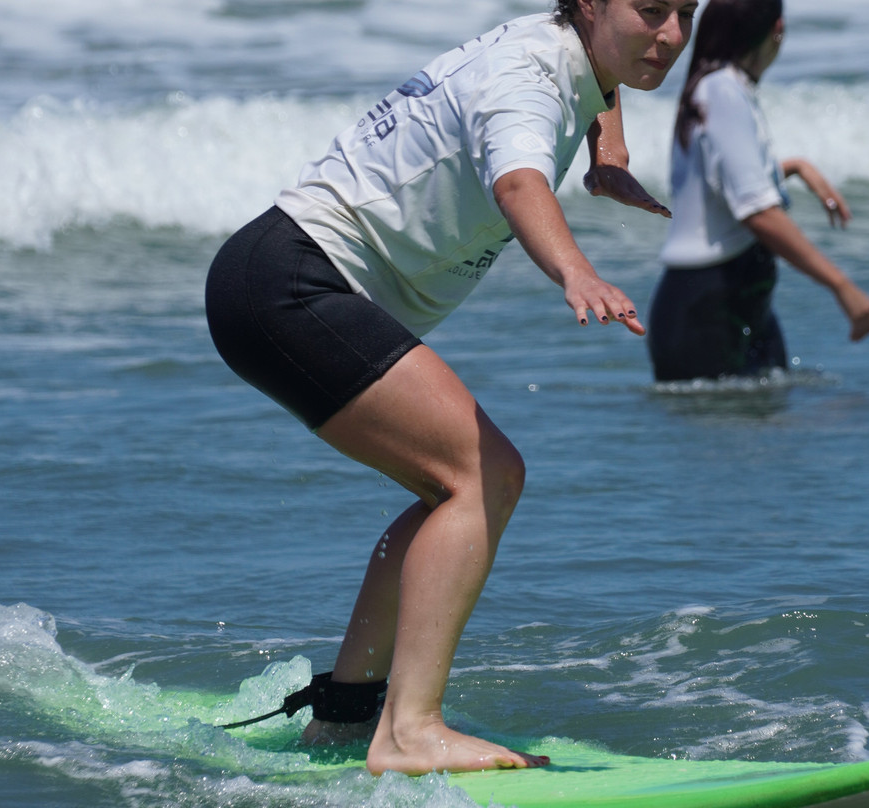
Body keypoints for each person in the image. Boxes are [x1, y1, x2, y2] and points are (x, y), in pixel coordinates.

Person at [205, 0, 697, 777]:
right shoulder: (527, 82)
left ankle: (347, 716)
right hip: (293, 285)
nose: (672, 33)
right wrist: (577, 270)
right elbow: (518, 182)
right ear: (593, 4)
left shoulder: (575, 45)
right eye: (653, 9)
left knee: (456, 489)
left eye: (689, 10)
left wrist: (609, 147)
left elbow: (602, 80)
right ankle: (410, 731)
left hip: (276, 276)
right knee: (482, 475)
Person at [646, 0, 869, 383]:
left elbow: (722, 182)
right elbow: (756, 211)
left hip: (728, 301)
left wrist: (796, 166)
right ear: (777, 29)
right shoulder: (722, 90)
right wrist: (841, 286)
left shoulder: (716, 85)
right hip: (705, 309)